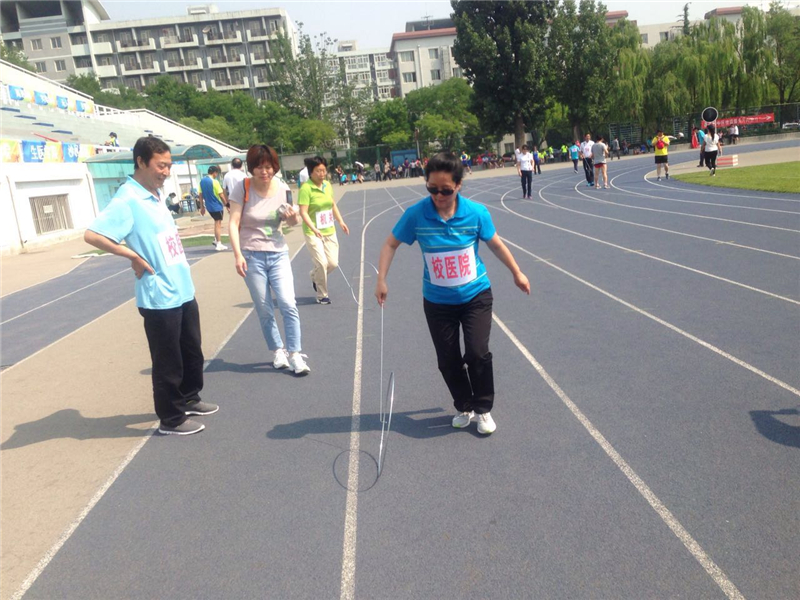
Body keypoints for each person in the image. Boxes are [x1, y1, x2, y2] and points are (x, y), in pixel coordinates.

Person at [375, 152, 530, 436]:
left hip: (475, 296)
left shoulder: (476, 213)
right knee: (447, 360)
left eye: (446, 190)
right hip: (438, 302)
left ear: (458, 185)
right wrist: (381, 279)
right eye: (432, 189)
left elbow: (495, 244)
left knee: (477, 353)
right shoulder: (416, 215)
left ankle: (483, 408)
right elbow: (389, 244)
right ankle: (464, 405)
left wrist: (516, 272)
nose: (438, 196)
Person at [83, 137, 217, 436]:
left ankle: (189, 398)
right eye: (161, 166)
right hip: (159, 295)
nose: (166, 172)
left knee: (191, 352)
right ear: (141, 162)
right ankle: (171, 419)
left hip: (181, 288)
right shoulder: (128, 199)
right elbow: (93, 235)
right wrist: (131, 255)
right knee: (168, 361)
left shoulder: (154, 194)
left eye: (169, 165)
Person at [228, 144, 310, 376]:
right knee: (264, 308)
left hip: (278, 253)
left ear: (275, 167)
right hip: (251, 255)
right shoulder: (242, 188)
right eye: (259, 167)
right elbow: (233, 223)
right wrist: (237, 255)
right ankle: (277, 351)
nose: (264, 172)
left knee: (287, 303)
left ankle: (295, 353)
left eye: (269, 167)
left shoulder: (283, 189)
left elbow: (292, 223)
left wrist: (292, 217)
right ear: (251, 168)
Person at [298, 156, 349, 305]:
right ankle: (322, 295)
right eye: (318, 171)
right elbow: (303, 212)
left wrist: (341, 221)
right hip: (313, 232)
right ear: (311, 172)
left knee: (332, 263)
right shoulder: (306, 189)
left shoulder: (327, 185)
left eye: (324, 170)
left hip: (329, 229)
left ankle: (314, 276)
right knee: (321, 263)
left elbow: (332, 204)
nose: (322, 174)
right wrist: (314, 228)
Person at [198, 165, 227, 250]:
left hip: (209, 206)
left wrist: (202, 207)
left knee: (216, 222)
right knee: (218, 224)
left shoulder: (202, 181)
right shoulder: (215, 182)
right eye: (216, 173)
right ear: (214, 173)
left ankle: (216, 239)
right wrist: (226, 204)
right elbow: (221, 195)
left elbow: (200, 195)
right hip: (216, 206)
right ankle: (219, 243)